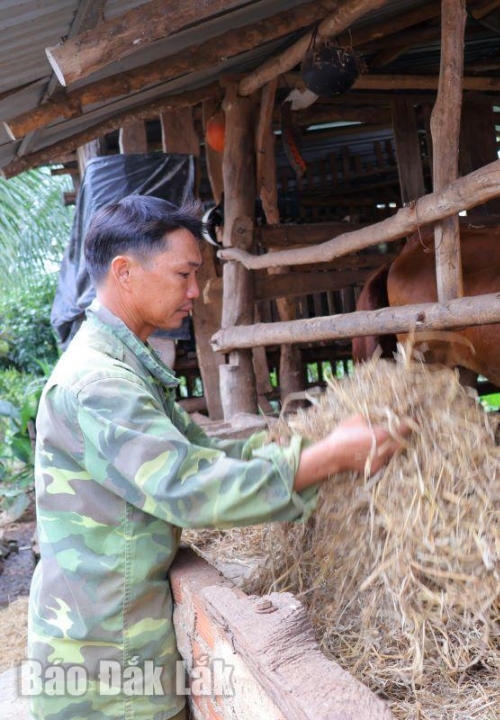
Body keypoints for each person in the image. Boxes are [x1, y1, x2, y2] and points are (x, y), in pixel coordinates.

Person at [26, 195, 401, 720]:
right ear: (124, 272)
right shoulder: (100, 383)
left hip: (116, 640)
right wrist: (329, 459)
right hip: (106, 665)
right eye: (184, 274)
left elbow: (202, 451)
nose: (196, 291)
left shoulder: (122, 364)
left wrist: (301, 443)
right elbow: (191, 489)